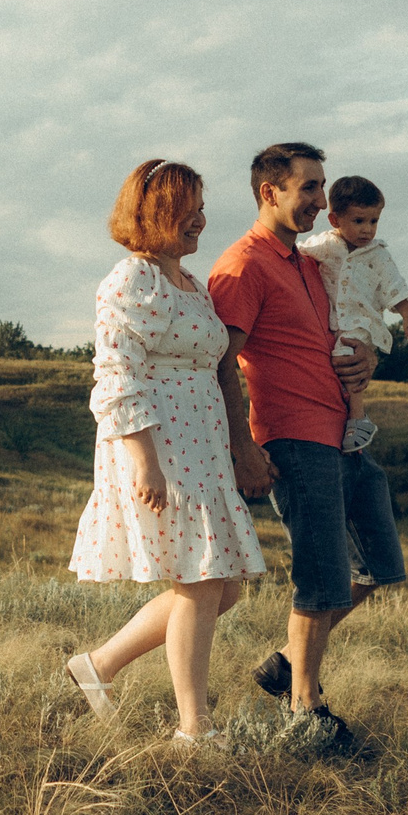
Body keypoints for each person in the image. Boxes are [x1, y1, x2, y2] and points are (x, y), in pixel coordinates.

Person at [206, 142, 405, 751]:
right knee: (322, 576)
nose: (323, 200)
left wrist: (368, 355)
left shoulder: (310, 264)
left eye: (322, 187)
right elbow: (219, 364)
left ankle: (286, 664)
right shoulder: (244, 266)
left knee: (379, 567)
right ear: (271, 192)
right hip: (292, 435)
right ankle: (307, 711)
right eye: (310, 188)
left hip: (341, 432)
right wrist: (241, 447)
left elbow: (342, 333)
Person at [64, 158, 268, 745]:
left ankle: (97, 666)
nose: (200, 220)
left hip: (201, 447)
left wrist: (236, 444)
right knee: (203, 584)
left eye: (202, 208)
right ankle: (194, 731)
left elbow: (218, 367)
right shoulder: (129, 282)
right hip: (160, 447)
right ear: (152, 214)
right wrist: (143, 462)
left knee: (221, 586)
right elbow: (116, 375)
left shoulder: (190, 287)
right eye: (187, 210)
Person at [296, 175, 408, 453]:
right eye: (359, 221)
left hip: (361, 322)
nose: (368, 230)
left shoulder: (378, 254)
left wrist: (407, 316)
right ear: (335, 220)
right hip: (331, 320)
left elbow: (394, 284)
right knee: (332, 364)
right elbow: (298, 252)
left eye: (373, 221)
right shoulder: (326, 244)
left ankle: (358, 416)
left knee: (347, 358)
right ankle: (343, 412)